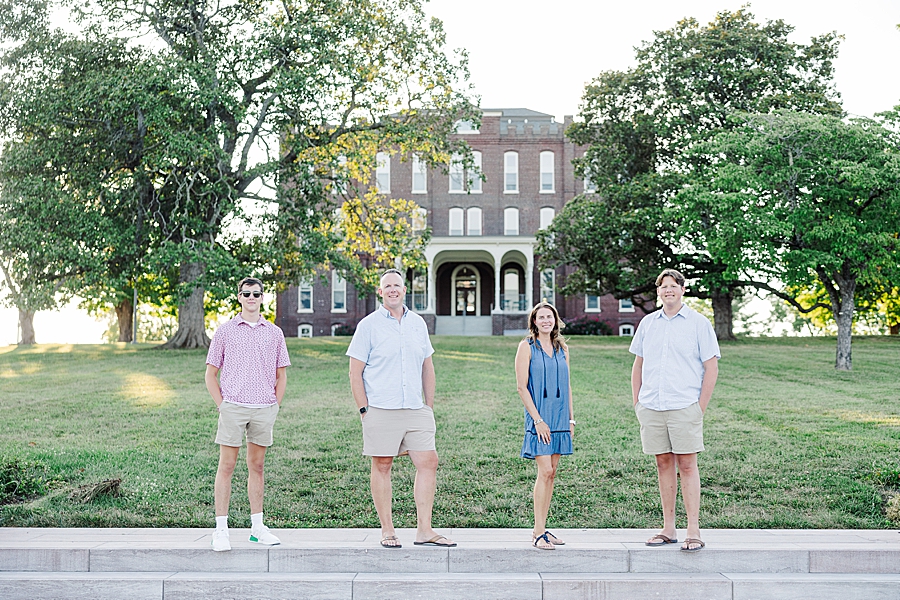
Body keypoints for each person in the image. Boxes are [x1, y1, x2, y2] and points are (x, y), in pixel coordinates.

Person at [346, 269, 456, 549]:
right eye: (387, 286)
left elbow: (427, 366)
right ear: (380, 292)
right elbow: (354, 371)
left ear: (404, 290)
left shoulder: (417, 323)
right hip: (381, 408)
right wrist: (364, 410)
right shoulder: (368, 325)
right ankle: (387, 530)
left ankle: (424, 530)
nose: (393, 290)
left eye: (397, 285)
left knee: (428, 462)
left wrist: (428, 407)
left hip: (415, 408)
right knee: (383, 465)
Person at [630, 269, 719, 553]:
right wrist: (638, 403)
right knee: (663, 464)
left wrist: (699, 408)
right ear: (658, 292)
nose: (668, 290)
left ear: (682, 289)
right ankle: (668, 528)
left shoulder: (698, 323)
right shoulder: (647, 323)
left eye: (673, 286)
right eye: (663, 286)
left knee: (688, 465)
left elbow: (711, 368)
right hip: (652, 406)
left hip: (684, 406)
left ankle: (693, 530)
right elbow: (638, 364)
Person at [205, 277, 290, 552]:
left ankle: (257, 527)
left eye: (256, 293)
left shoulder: (274, 333)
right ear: (239, 297)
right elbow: (210, 374)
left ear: (262, 297)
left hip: (264, 408)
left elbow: (282, 374)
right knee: (227, 466)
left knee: (257, 466)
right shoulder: (225, 331)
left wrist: (275, 404)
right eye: (246, 293)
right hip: (233, 407)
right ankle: (221, 530)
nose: (251, 297)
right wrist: (223, 404)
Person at [515, 301, 574, 550]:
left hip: (560, 417)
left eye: (549, 317)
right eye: (541, 317)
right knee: (545, 471)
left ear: (555, 320)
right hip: (540, 417)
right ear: (534, 322)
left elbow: (568, 385)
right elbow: (521, 387)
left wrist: (571, 418)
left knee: (552, 474)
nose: (546, 321)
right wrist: (537, 420)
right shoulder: (526, 347)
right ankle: (538, 531)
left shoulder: (562, 348)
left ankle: (543, 528)